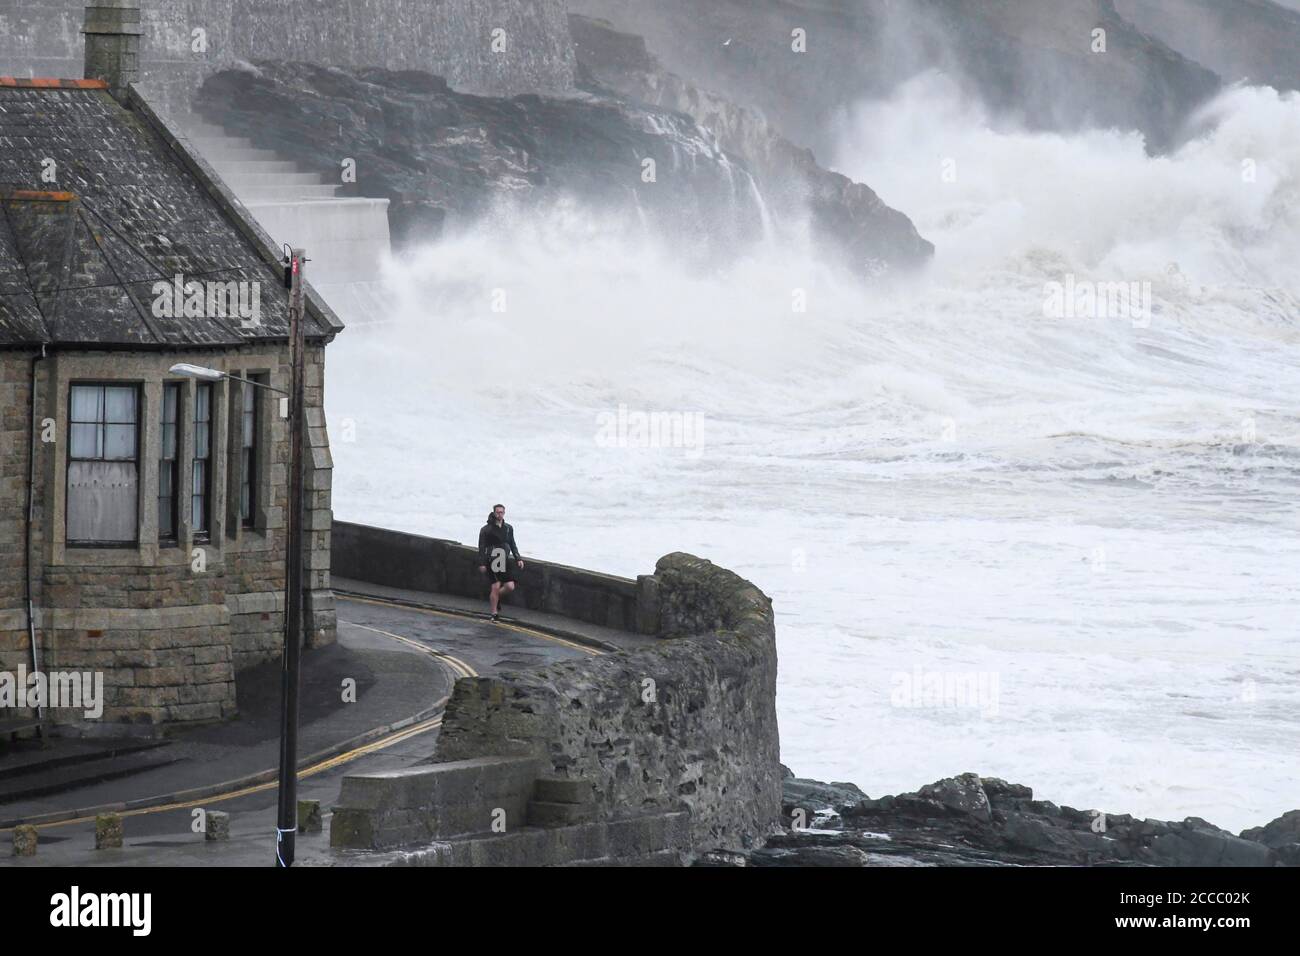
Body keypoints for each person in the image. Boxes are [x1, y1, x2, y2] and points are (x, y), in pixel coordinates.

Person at [478, 503, 524, 621]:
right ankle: (494, 613)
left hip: (504, 558)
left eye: (502, 512)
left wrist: (518, 558)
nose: (500, 514)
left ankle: (496, 599)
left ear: (504, 513)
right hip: (493, 558)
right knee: (496, 586)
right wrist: (482, 563)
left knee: (510, 586)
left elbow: (512, 544)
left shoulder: (508, 528)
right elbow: (482, 547)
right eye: (498, 512)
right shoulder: (486, 529)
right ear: (494, 513)